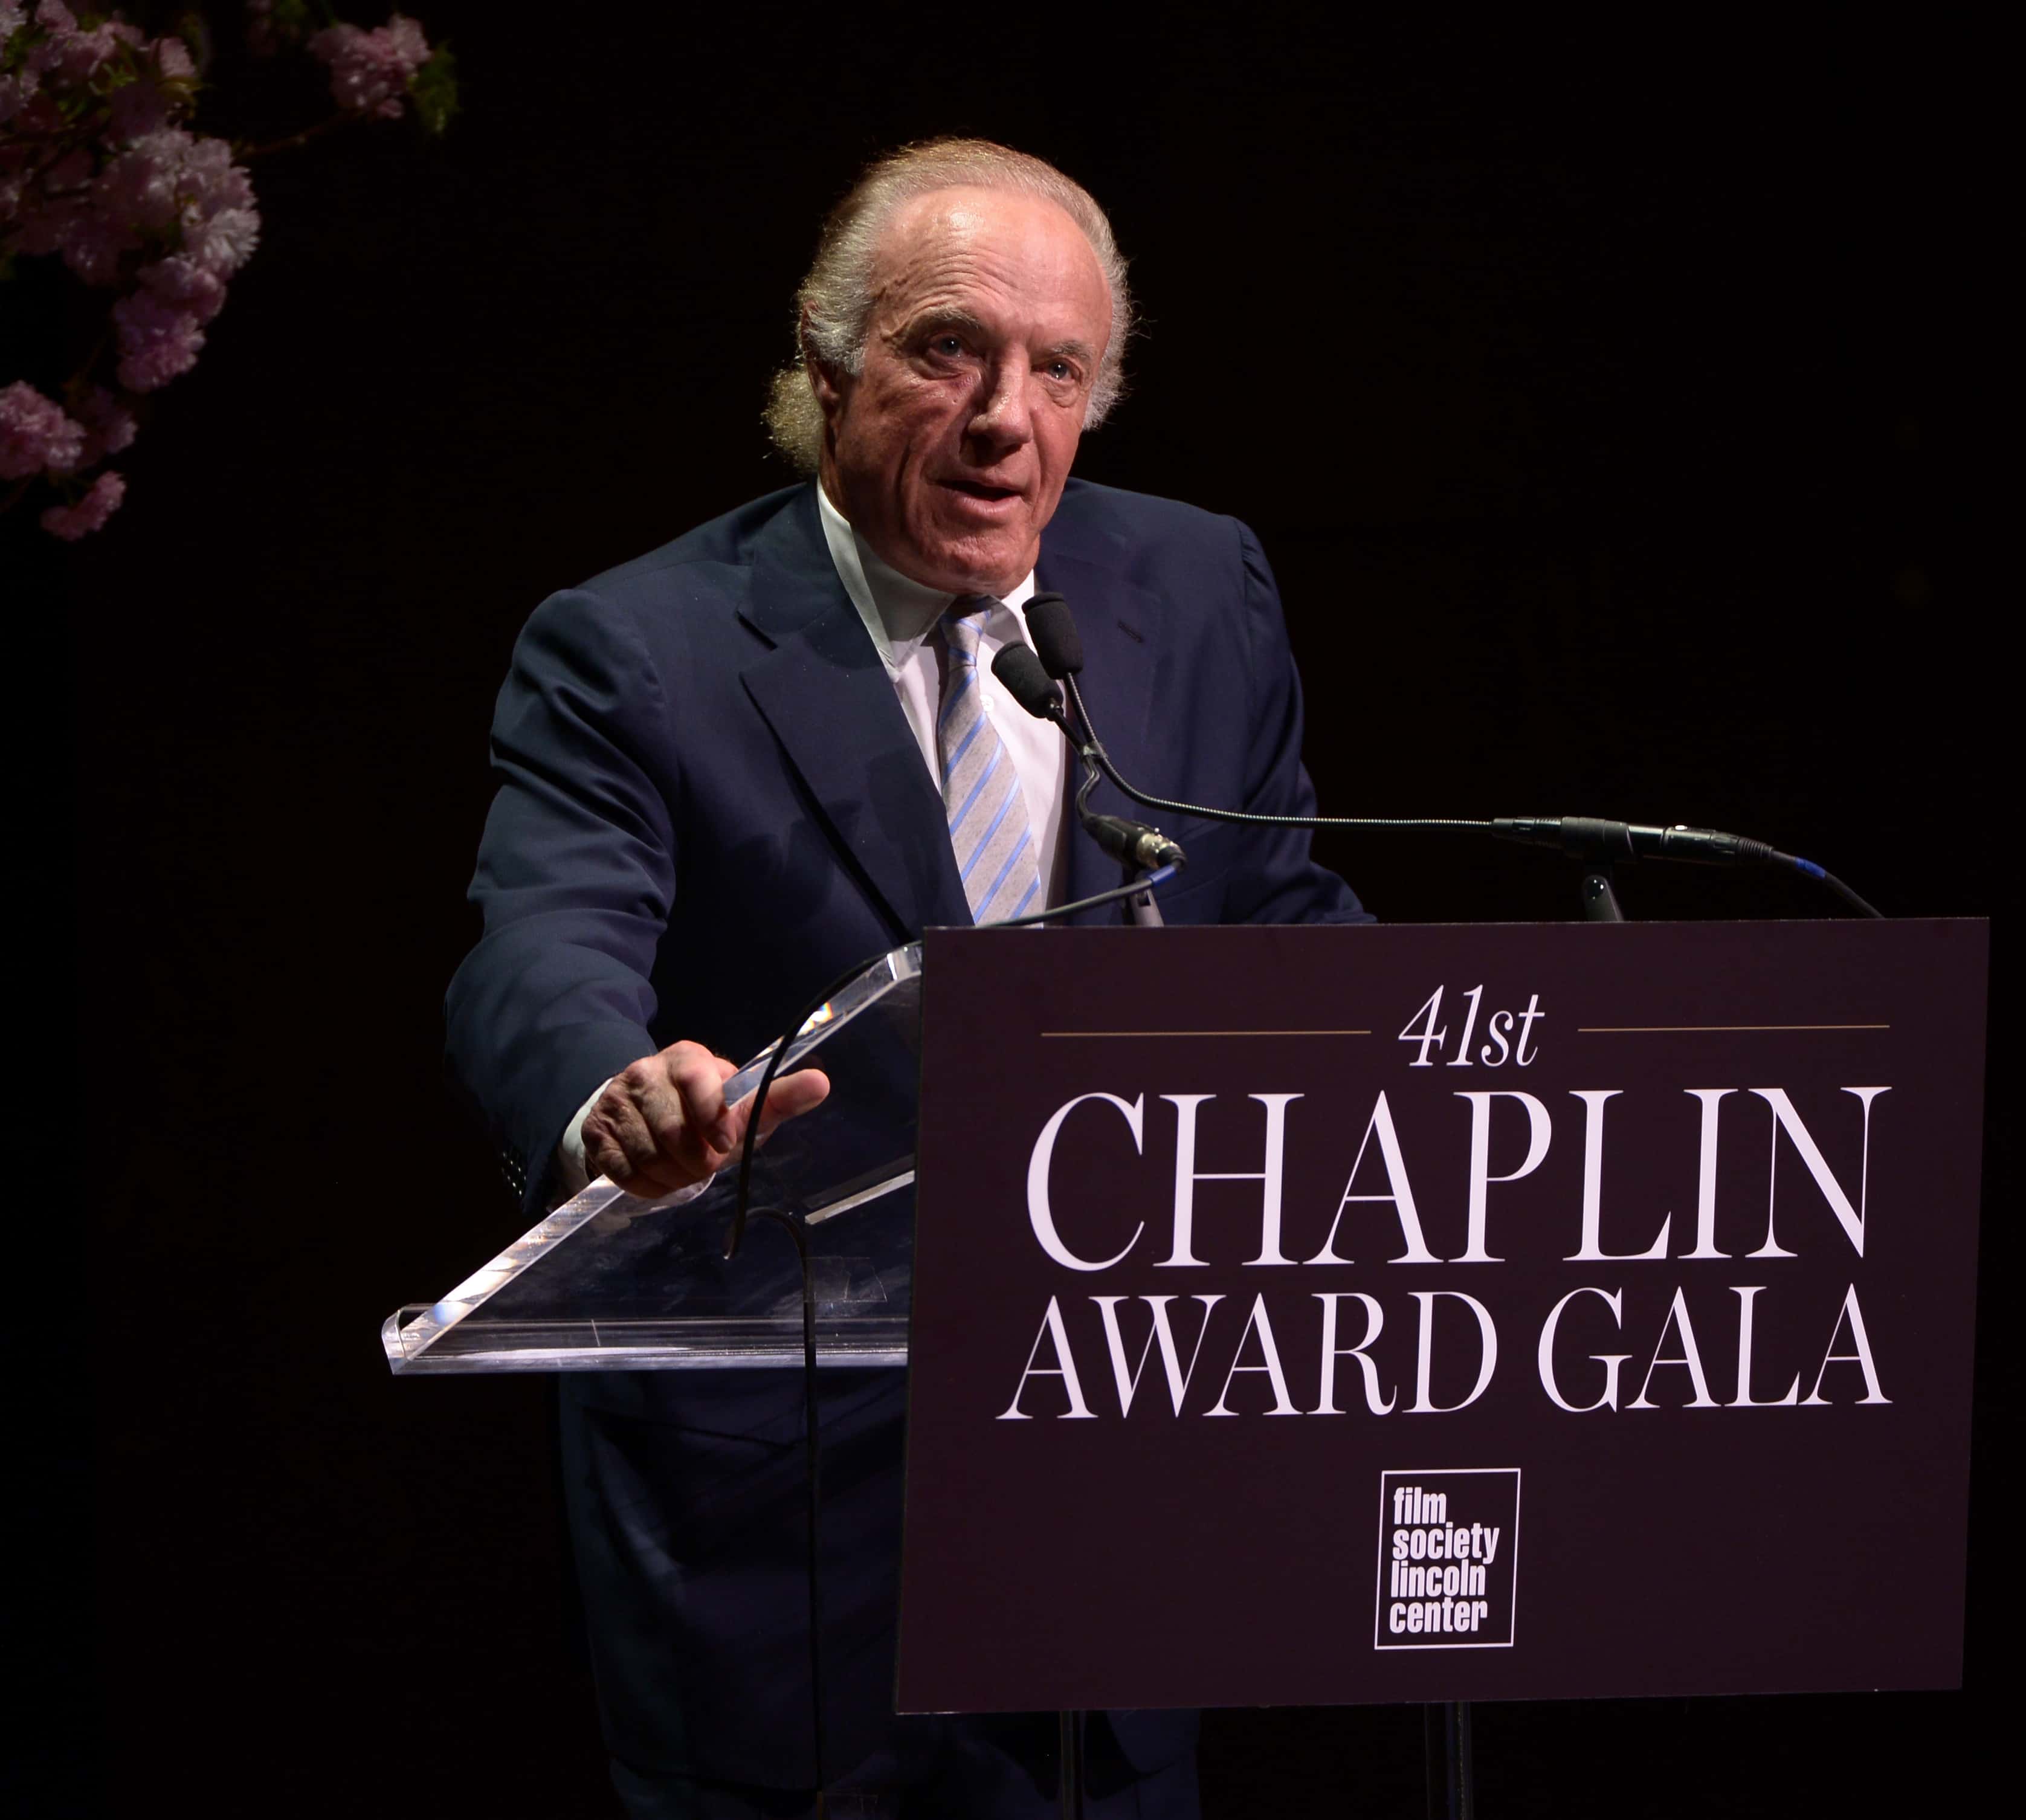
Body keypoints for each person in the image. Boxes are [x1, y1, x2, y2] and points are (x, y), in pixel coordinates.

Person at [446, 138, 1366, 1819]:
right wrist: (616, 1092)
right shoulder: (636, 647)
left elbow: (1278, 909)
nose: (1006, 416)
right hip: (786, 1550)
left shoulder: (1196, 587)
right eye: (950, 348)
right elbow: (543, 941)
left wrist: (1465, 1064)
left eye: (1058, 369)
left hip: (1116, 1504)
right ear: (826, 358)